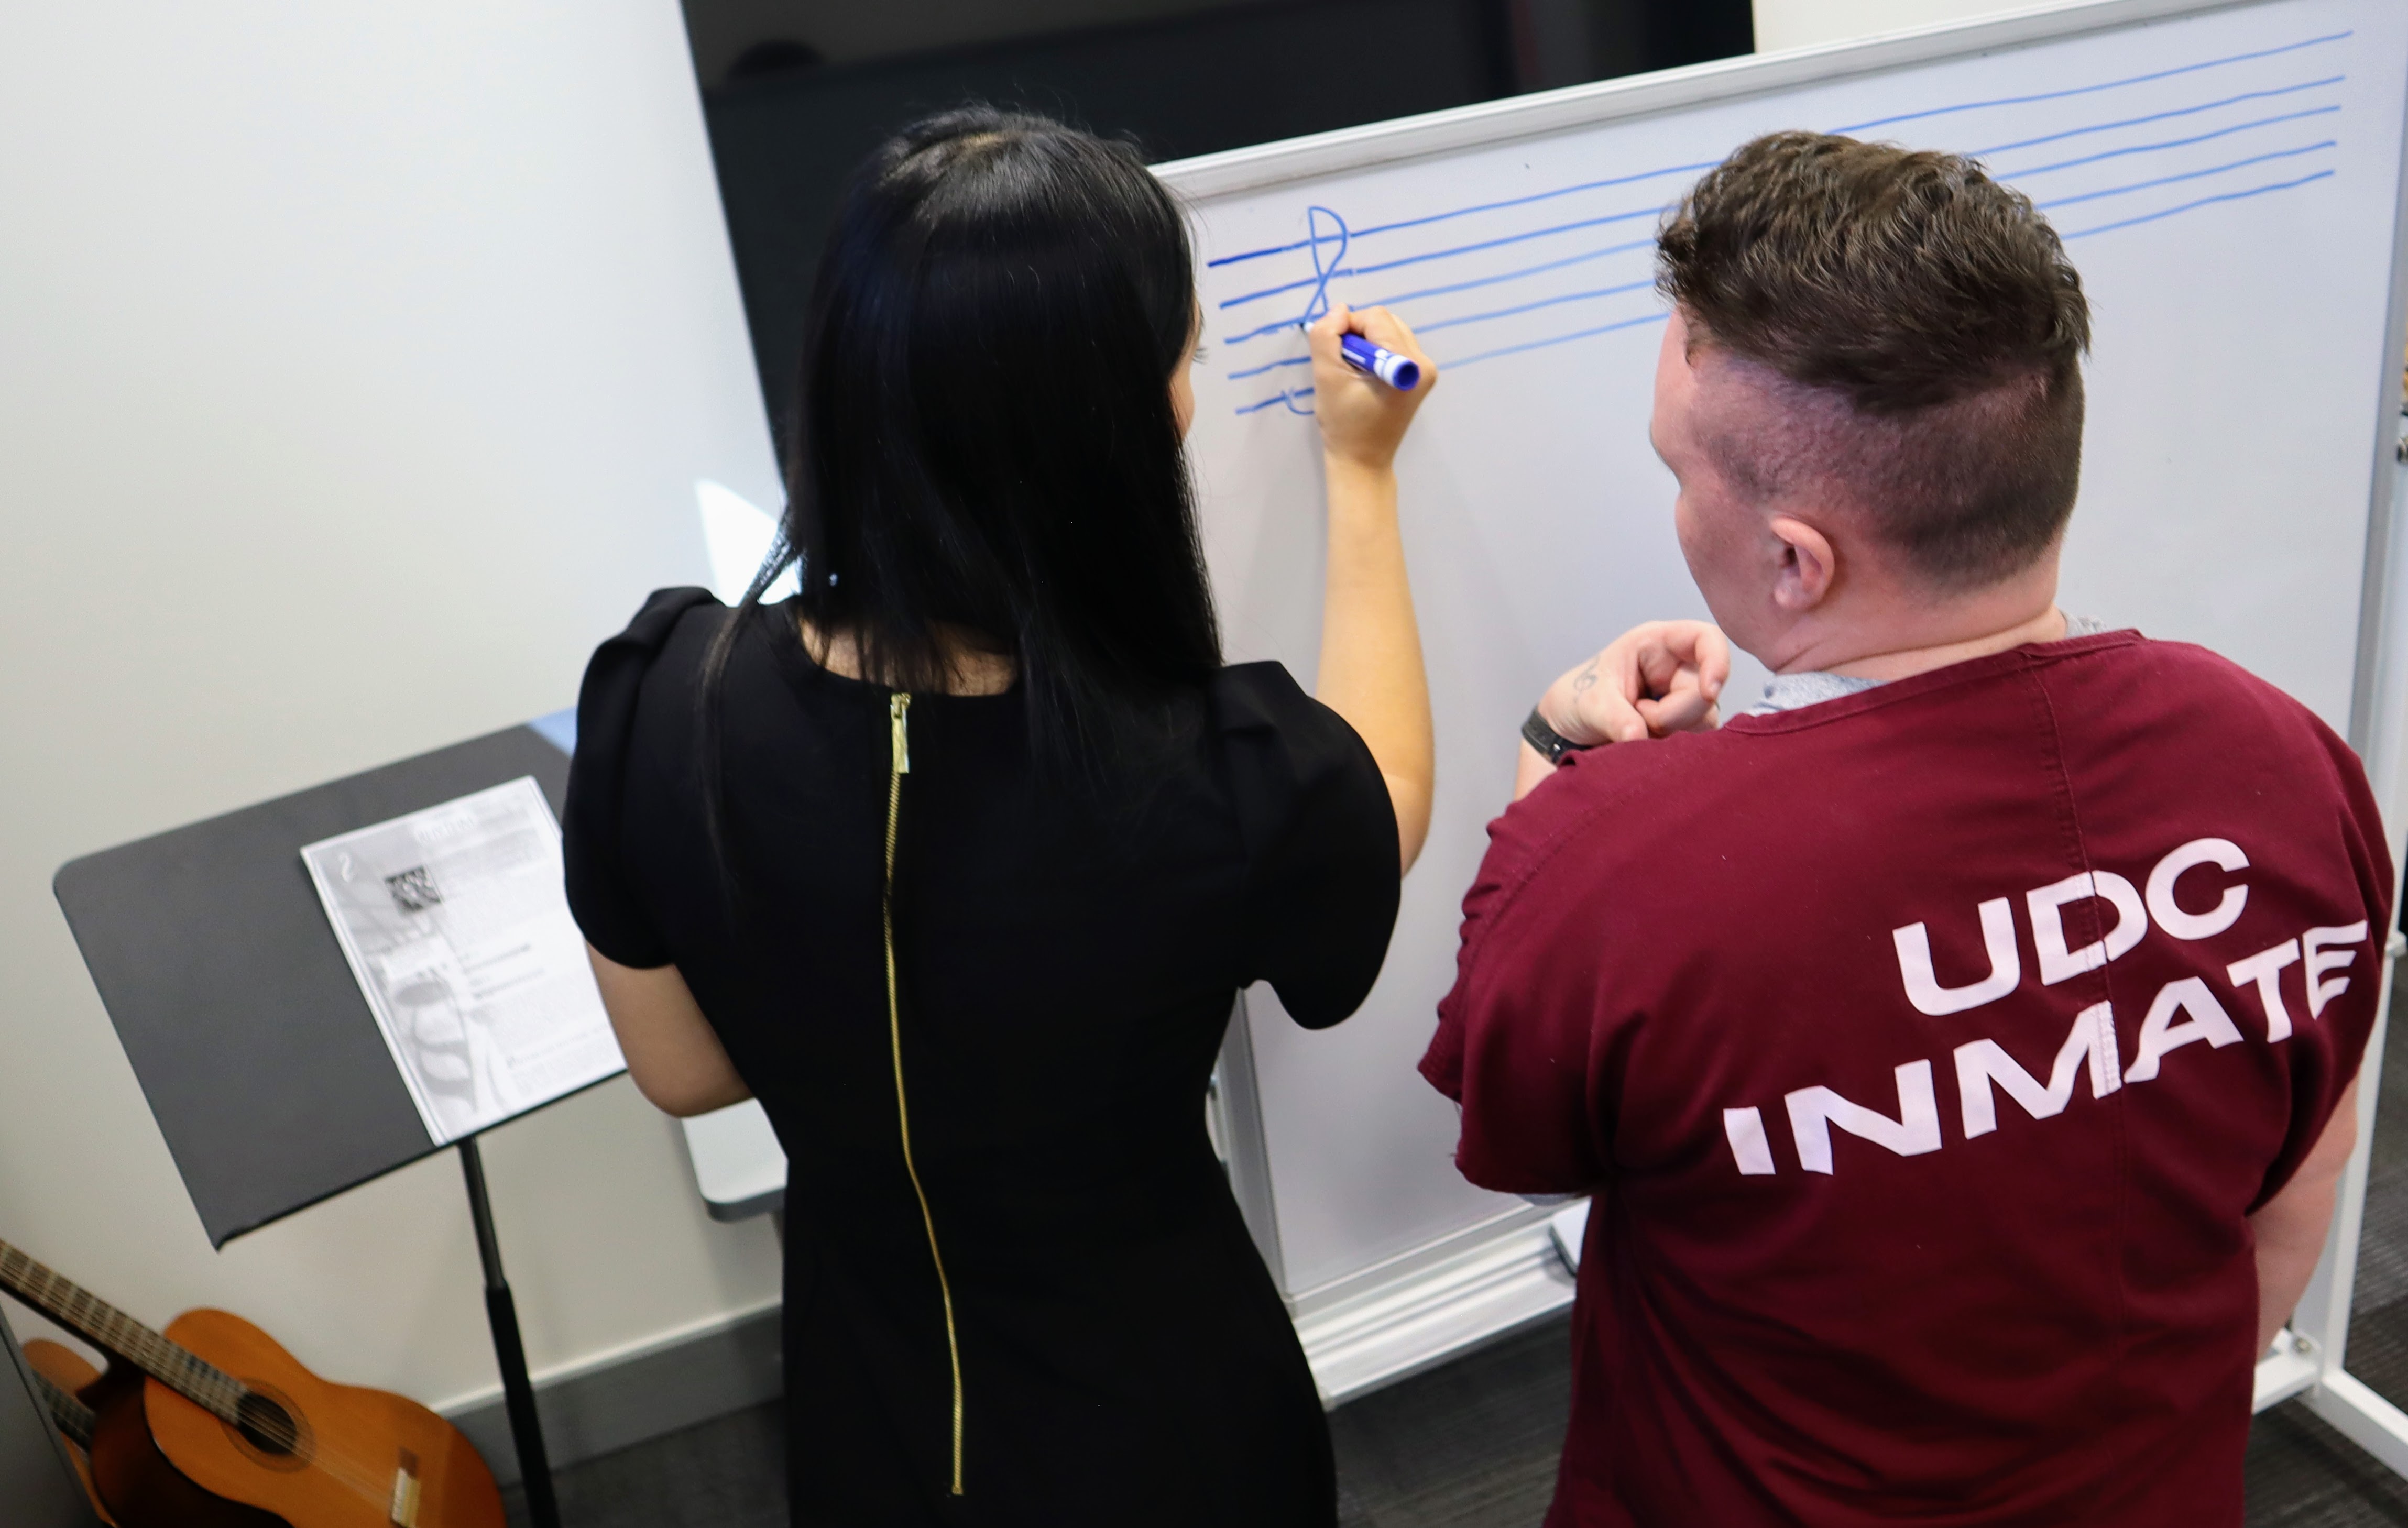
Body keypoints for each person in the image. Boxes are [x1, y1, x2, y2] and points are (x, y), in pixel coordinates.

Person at [1423, 130, 2394, 1525]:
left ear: (1794, 559)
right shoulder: (2280, 758)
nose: (1678, 507)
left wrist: (1565, 757)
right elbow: (2304, 1174)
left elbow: (1533, 1149)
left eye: (1676, 473)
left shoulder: (1612, 865)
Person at [561, 108, 1438, 1526]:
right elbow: (1381, 802)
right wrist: (1362, 474)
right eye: (1184, 359)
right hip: (1174, 1432)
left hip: (872, 1415)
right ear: (1123, 424)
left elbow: (686, 1073)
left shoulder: (660, 701)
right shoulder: (1214, 774)